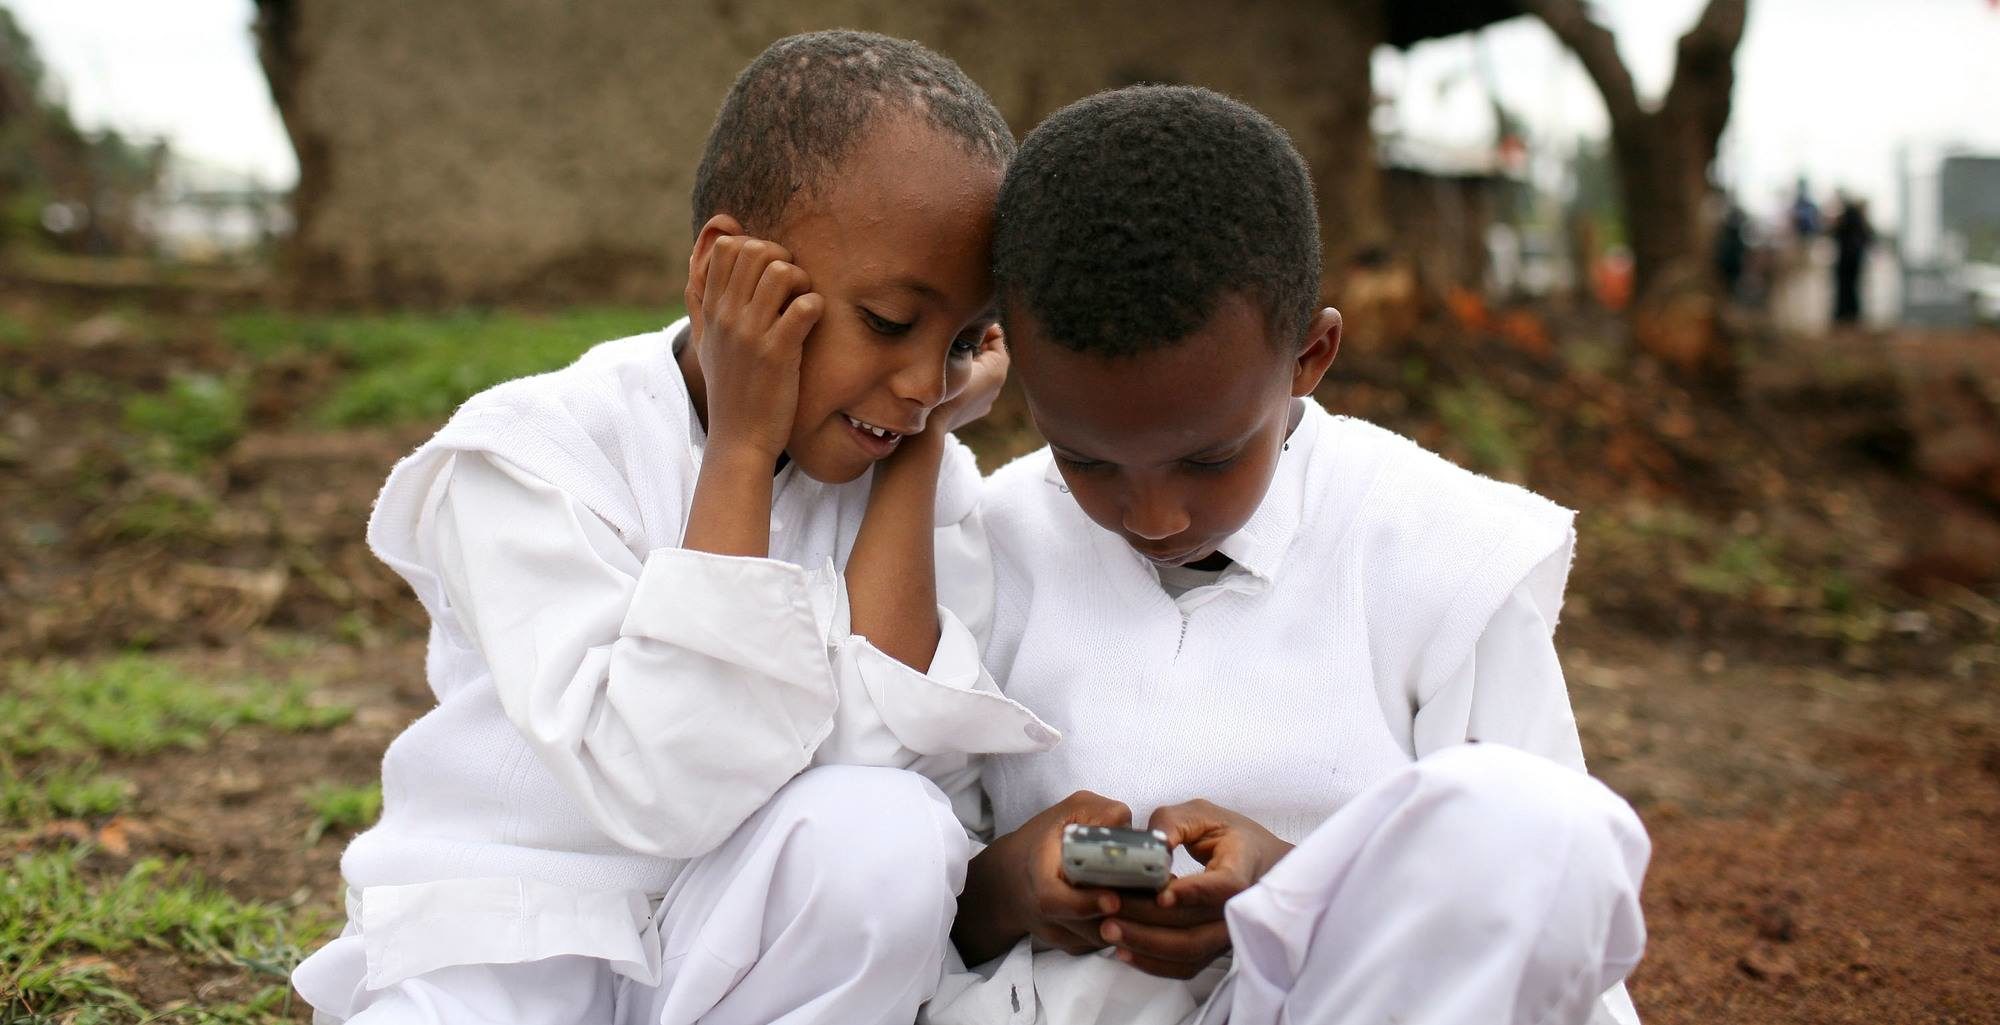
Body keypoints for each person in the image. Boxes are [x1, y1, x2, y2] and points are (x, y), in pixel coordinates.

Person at [291, 31, 1059, 1025]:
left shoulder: (918, 468)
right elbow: (667, 782)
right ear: (723, 271)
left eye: (959, 340)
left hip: (738, 948)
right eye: (885, 321)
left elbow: (880, 765)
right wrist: (740, 451)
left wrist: (919, 446)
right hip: (511, 941)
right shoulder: (533, 456)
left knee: (889, 833)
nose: (921, 383)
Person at [926, 86, 1649, 1025]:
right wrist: (1017, 884)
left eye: (1210, 456)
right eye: (1087, 458)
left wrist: (1296, 896)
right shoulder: (986, 544)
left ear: (1311, 355)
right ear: (1013, 360)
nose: (1150, 513)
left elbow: (1542, 897)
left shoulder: (1442, 552)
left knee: (1543, 821)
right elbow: (905, 896)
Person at [1831, 194, 1874, 325]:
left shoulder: (1846, 219)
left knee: (1846, 288)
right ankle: (1849, 315)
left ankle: (1845, 315)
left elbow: (1835, 233)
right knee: (1849, 288)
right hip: (1853, 259)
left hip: (1846, 260)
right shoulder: (1858, 220)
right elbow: (1868, 237)